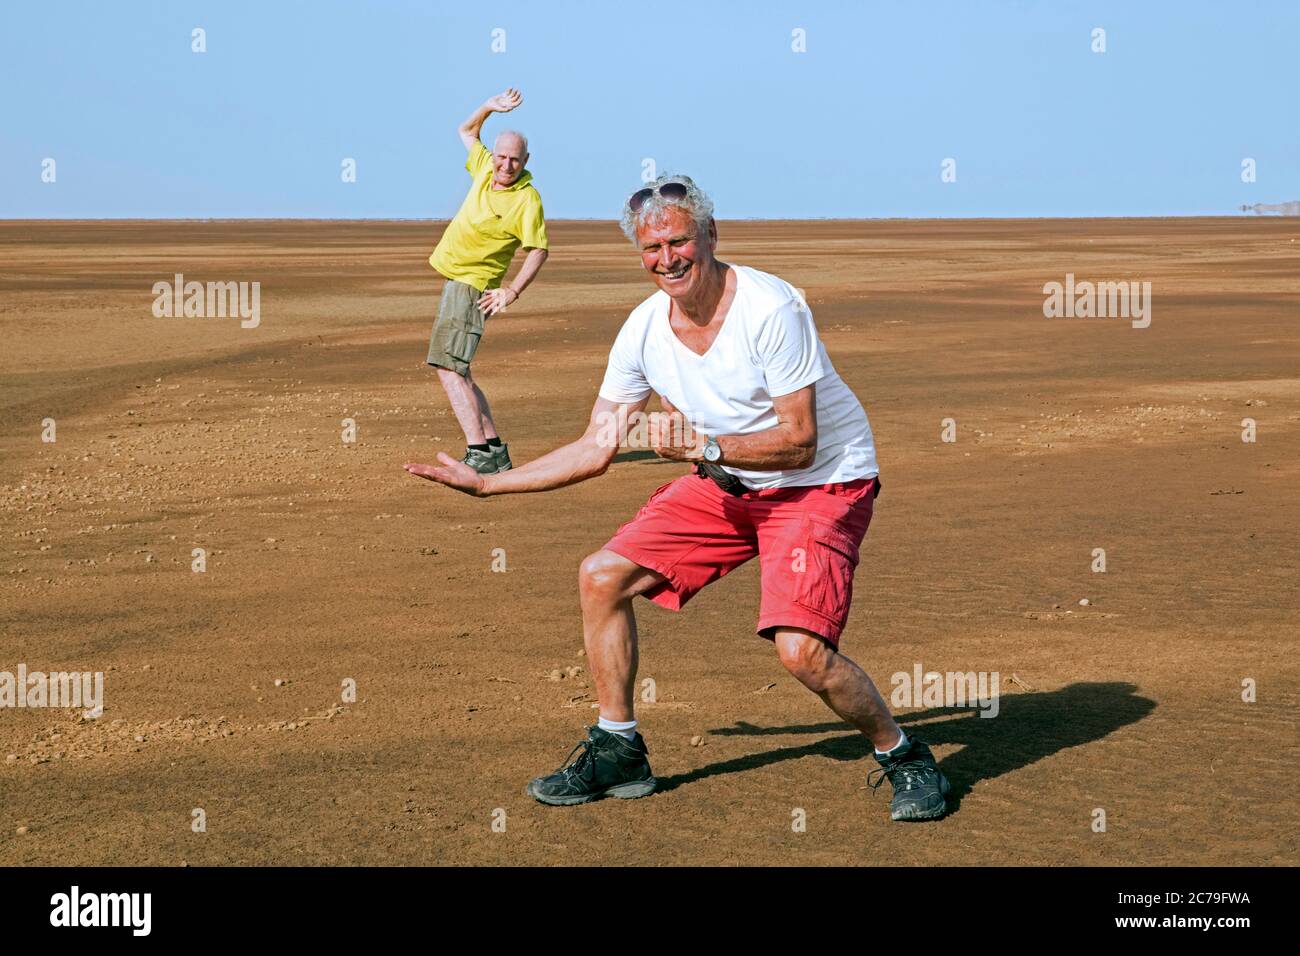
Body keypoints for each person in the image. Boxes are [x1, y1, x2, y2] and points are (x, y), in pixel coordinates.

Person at [405, 175, 950, 822]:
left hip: (820, 484)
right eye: (650, 248)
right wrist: (490, 482)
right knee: (601, 577)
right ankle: (619, 749)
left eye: (678, 241)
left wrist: (704, 446)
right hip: (728, 487)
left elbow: (800, 441)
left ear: (711, 236)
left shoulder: (770, 309)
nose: (667, 259)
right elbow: (596, 447)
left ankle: (904, 755)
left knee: (801, 652)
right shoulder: (642, 332)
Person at [426, 88, 549, 474]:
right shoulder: (483, 169)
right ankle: (494, 449)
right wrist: (488, 108)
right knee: (460, 368)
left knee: (448, 369)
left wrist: (511, 290)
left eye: (514, 159)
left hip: (472, 285)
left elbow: (539, 249)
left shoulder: (527, 199)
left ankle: (478, 452)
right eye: (501, 157)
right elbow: (466, 131)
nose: (506, 165)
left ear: (525, 161)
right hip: (456, 281)